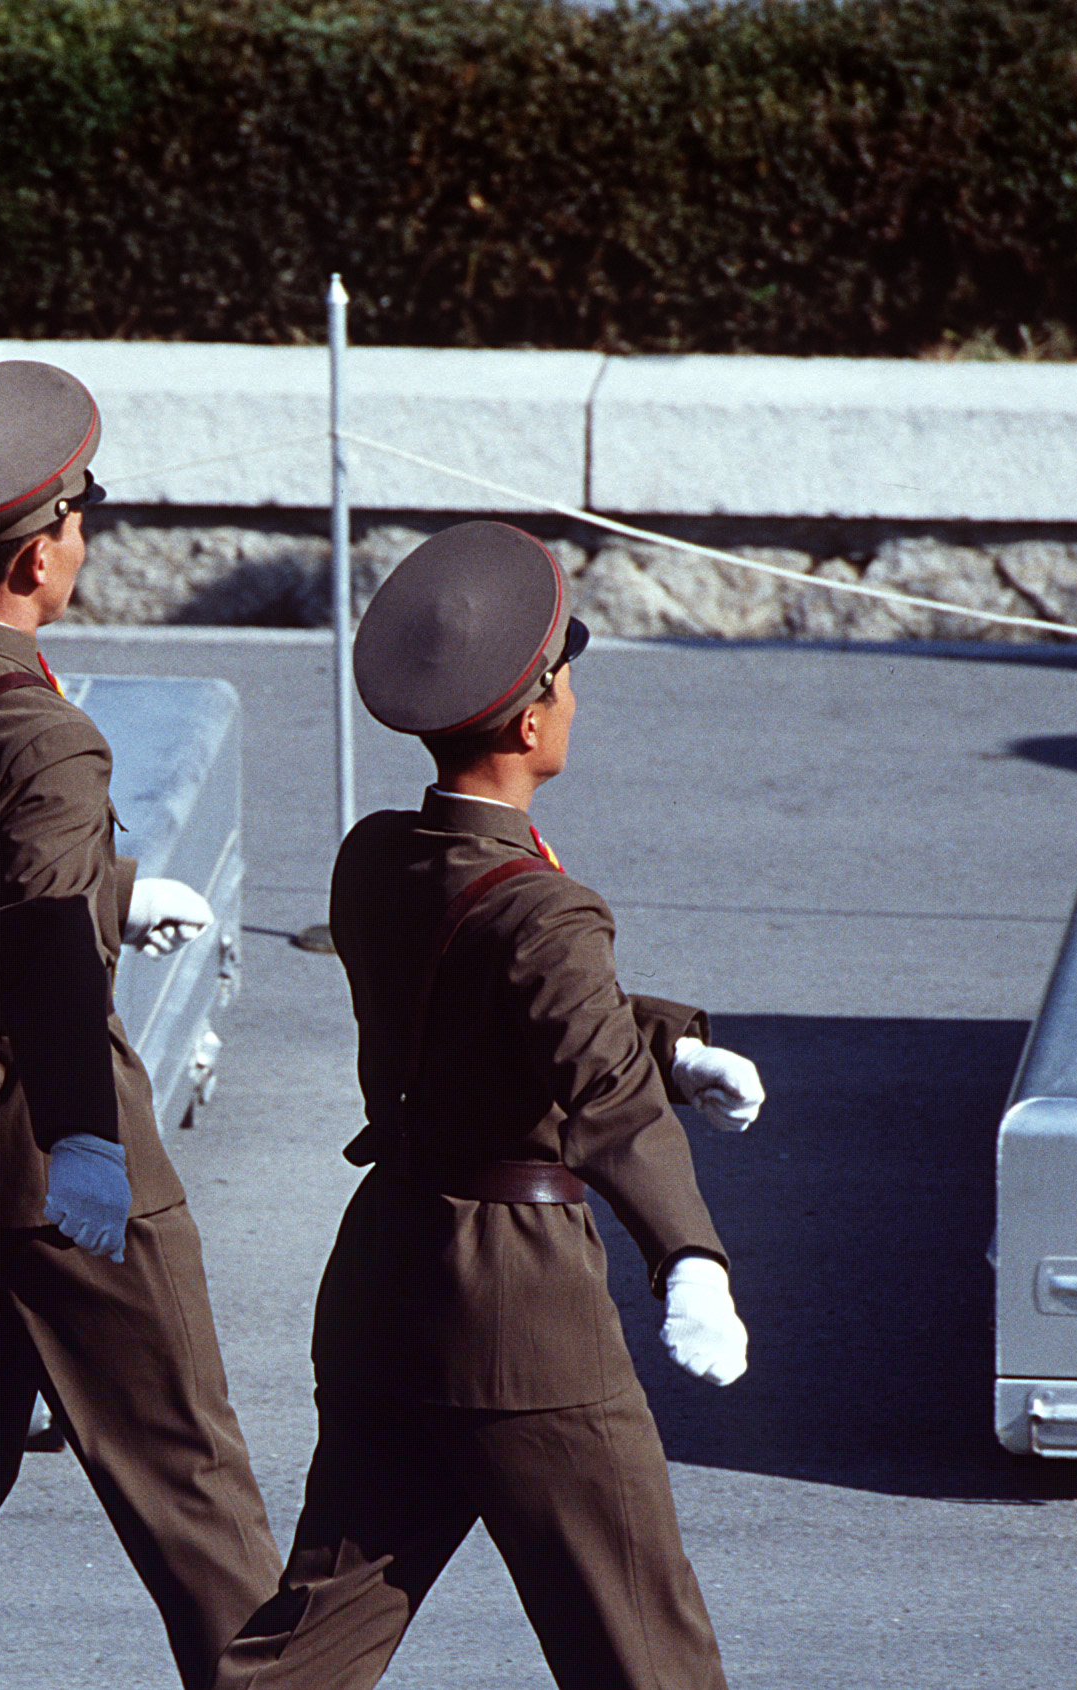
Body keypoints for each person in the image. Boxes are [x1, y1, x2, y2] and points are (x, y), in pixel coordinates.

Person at [211, 520, 766, 1690]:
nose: (570, 701)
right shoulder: (549, 911)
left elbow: (497, 995)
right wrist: (689, 1256)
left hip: (387, 1277)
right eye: (563, 683)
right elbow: (603, 1096)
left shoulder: (374, 859)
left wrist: (674, 1040)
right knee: (644, 1649)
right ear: (530, 722)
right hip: (520, 1312)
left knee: (312, 1642)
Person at [0, 360, 282, 1687]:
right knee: (183, 1472)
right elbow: (31, 933)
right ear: (39, 550)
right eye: (80, 519)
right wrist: (88, 1135)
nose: (84, 541)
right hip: (45, 1114)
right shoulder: (45, 737)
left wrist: (116, 890)